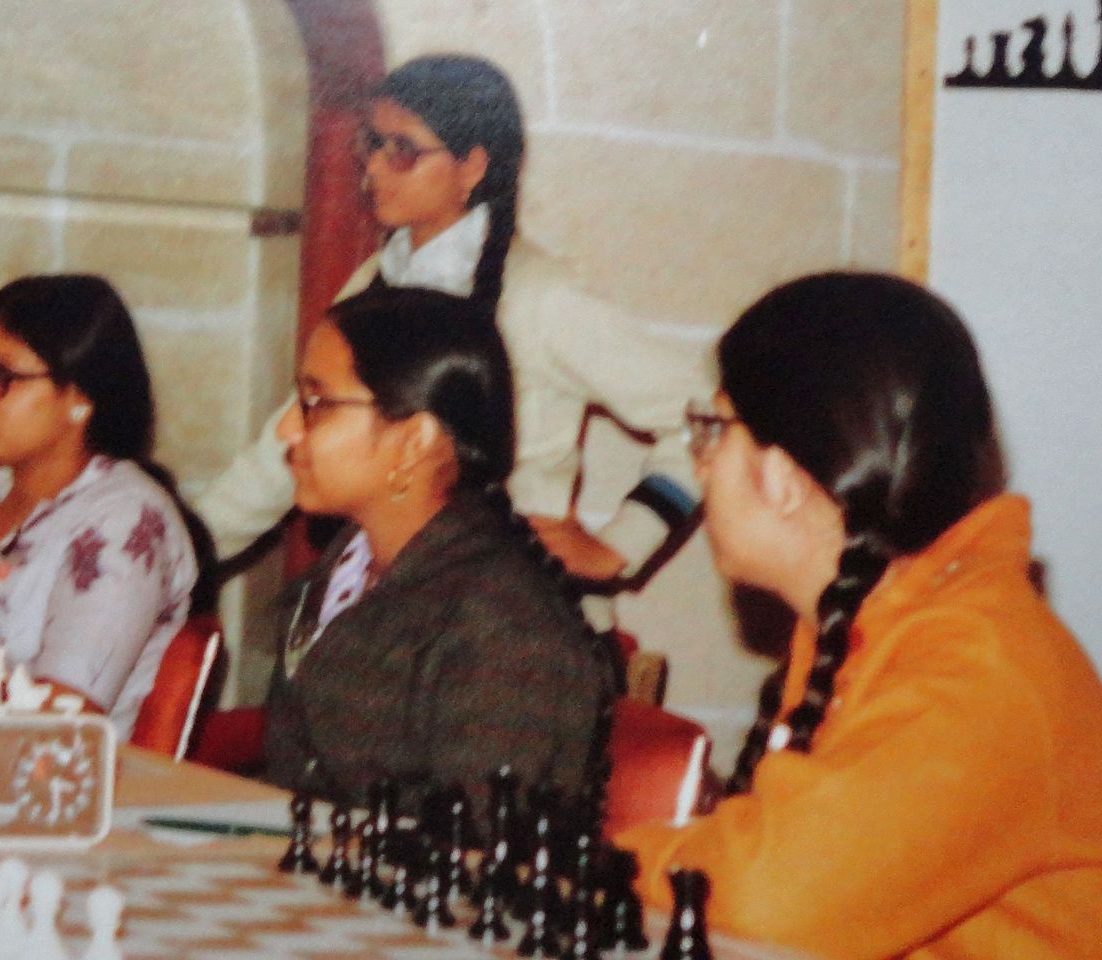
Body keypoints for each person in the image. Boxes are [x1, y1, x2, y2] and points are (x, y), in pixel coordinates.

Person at [617, 273, 1102, 958]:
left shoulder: (983, 664)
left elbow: (770, 894)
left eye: (713, 430)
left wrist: (588, 862)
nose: (699, 466)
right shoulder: (882, 623)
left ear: (784, 478)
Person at [197, 54, 699, 607]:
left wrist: (620, 544)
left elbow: (708, 414)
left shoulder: (541, 297)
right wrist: (180, 550)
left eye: (404, 150)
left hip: (513, 617)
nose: (374, 170)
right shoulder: (373, 281)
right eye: (373, 144)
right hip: (388, 604)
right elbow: (285, 448)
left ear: (473, 166)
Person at [262, 286, 613, 815]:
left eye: (317, 403)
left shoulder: (507, 632)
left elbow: (476, 857)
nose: (288, 429)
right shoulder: (346, 569)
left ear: (414, 442)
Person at [0, 275, 210, 739]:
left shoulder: (125, 519)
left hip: (47, 789)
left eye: (3, 378)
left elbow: (60, 715)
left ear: (81, 398)